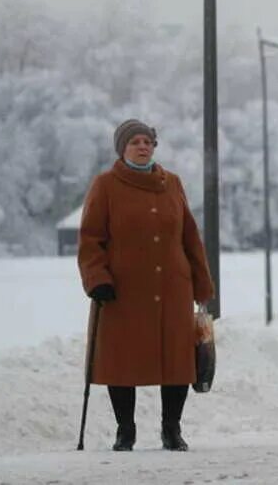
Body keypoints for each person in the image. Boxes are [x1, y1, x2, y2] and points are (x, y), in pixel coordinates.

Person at [78, 119, 215, 452]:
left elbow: (189, 238)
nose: (142, 146)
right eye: (135, 142)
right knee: (123, 361)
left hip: (172, 287)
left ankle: (172, 429)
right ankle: (125, 431)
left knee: (177, 361)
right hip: (123, 291)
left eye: (148, 141)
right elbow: (91, 239)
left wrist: (202, 285)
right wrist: (97, 279)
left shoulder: (173, 184)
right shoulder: (105, 185)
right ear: (122, 148)